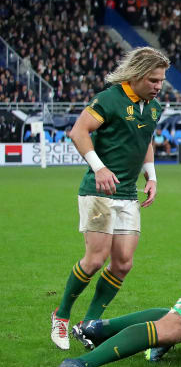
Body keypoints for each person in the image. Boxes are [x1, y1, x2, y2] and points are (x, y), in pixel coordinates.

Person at [51, 46, 170, 350]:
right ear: (139, 75)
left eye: (162, 81)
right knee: (94, 260)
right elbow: (78, 132)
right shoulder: (109, 99)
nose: (159, 86)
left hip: (128, 193)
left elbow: (146, 140)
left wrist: (152, 176)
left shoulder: (153, 107)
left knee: (123, 264)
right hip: (99, 190)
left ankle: (89, 325)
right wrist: (100, 168)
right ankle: (61, 315)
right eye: (154, 80)